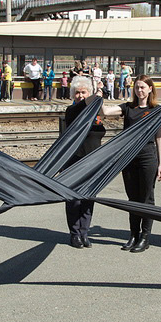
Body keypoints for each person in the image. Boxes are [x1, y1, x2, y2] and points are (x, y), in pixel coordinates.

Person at [99, 76, 161, 252]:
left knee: (147, 198)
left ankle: (145, 237)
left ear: (150, 89)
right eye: (137, 87)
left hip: (147, 158)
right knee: (132, 199)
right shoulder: (128, 108)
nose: (139, 91)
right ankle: (133, 235)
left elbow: (159, 138)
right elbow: (105, 111)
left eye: (143, 87)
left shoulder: (156, 110)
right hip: (128, 159)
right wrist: (98, 93)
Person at [62, 77, 106, 248]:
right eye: (77, 92)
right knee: (74, 200)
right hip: (74, 161)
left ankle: (84, 232)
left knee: (89, 198)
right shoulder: (71, 110)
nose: (80, 95)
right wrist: (96, 94)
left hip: (93, 161)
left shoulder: (96, 113)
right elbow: (83, 105)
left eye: (83, 92)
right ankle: (74, 233)